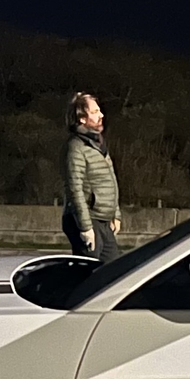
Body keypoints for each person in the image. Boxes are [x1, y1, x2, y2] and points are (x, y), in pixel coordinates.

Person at [61, 92, 122, 258]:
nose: (101, 115)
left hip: (103, 220)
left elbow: (111, 181)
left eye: (99, 110)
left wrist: (115, 214)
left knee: (113, 272)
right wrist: (86, 227)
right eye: (95, 112)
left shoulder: (98, 144)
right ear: (82, 118)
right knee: (88, 275)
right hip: (88, 220)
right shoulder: (76, 147)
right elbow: (75, 188)